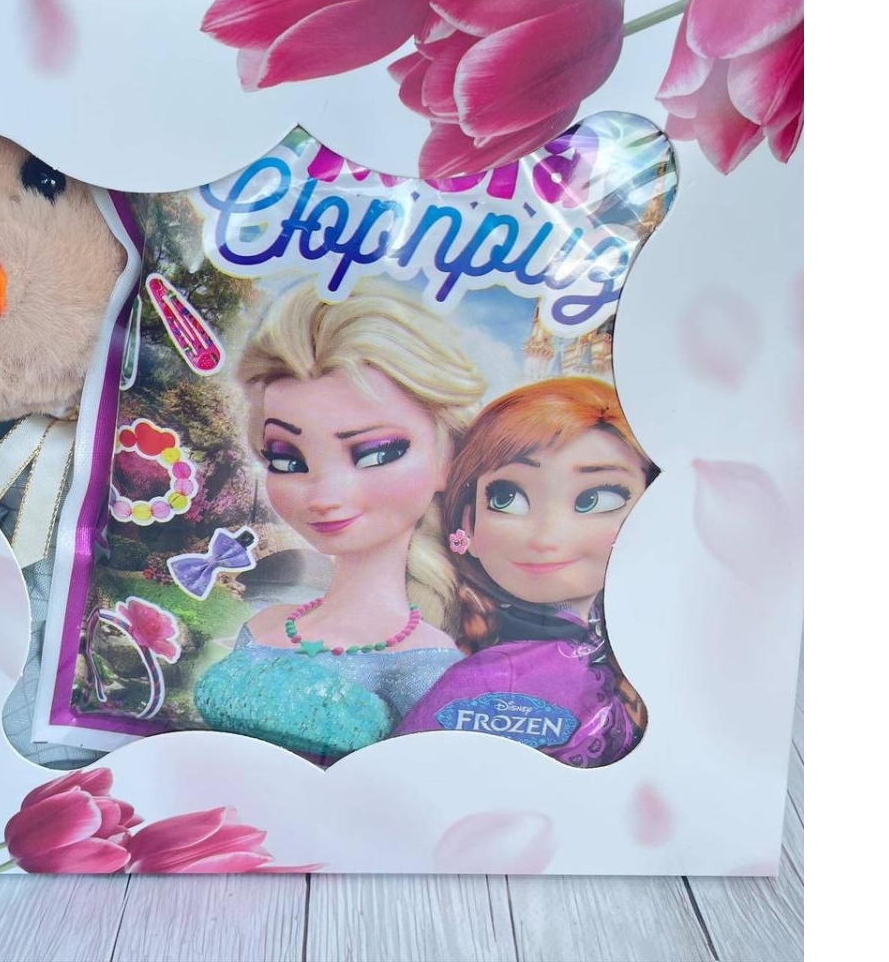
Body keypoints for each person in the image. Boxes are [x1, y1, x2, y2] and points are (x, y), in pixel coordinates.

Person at [194, 279, 485, 757]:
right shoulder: (264, 626)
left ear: (447, 458)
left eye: (376, 454)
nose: (325, 496)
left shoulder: (426, 666)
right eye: (287, 459)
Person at [395, 377, 653, 767]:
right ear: (468, 524)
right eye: (507, 498)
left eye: (596, 498)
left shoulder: (657, 648)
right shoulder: (487, 681)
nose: (546, 536)